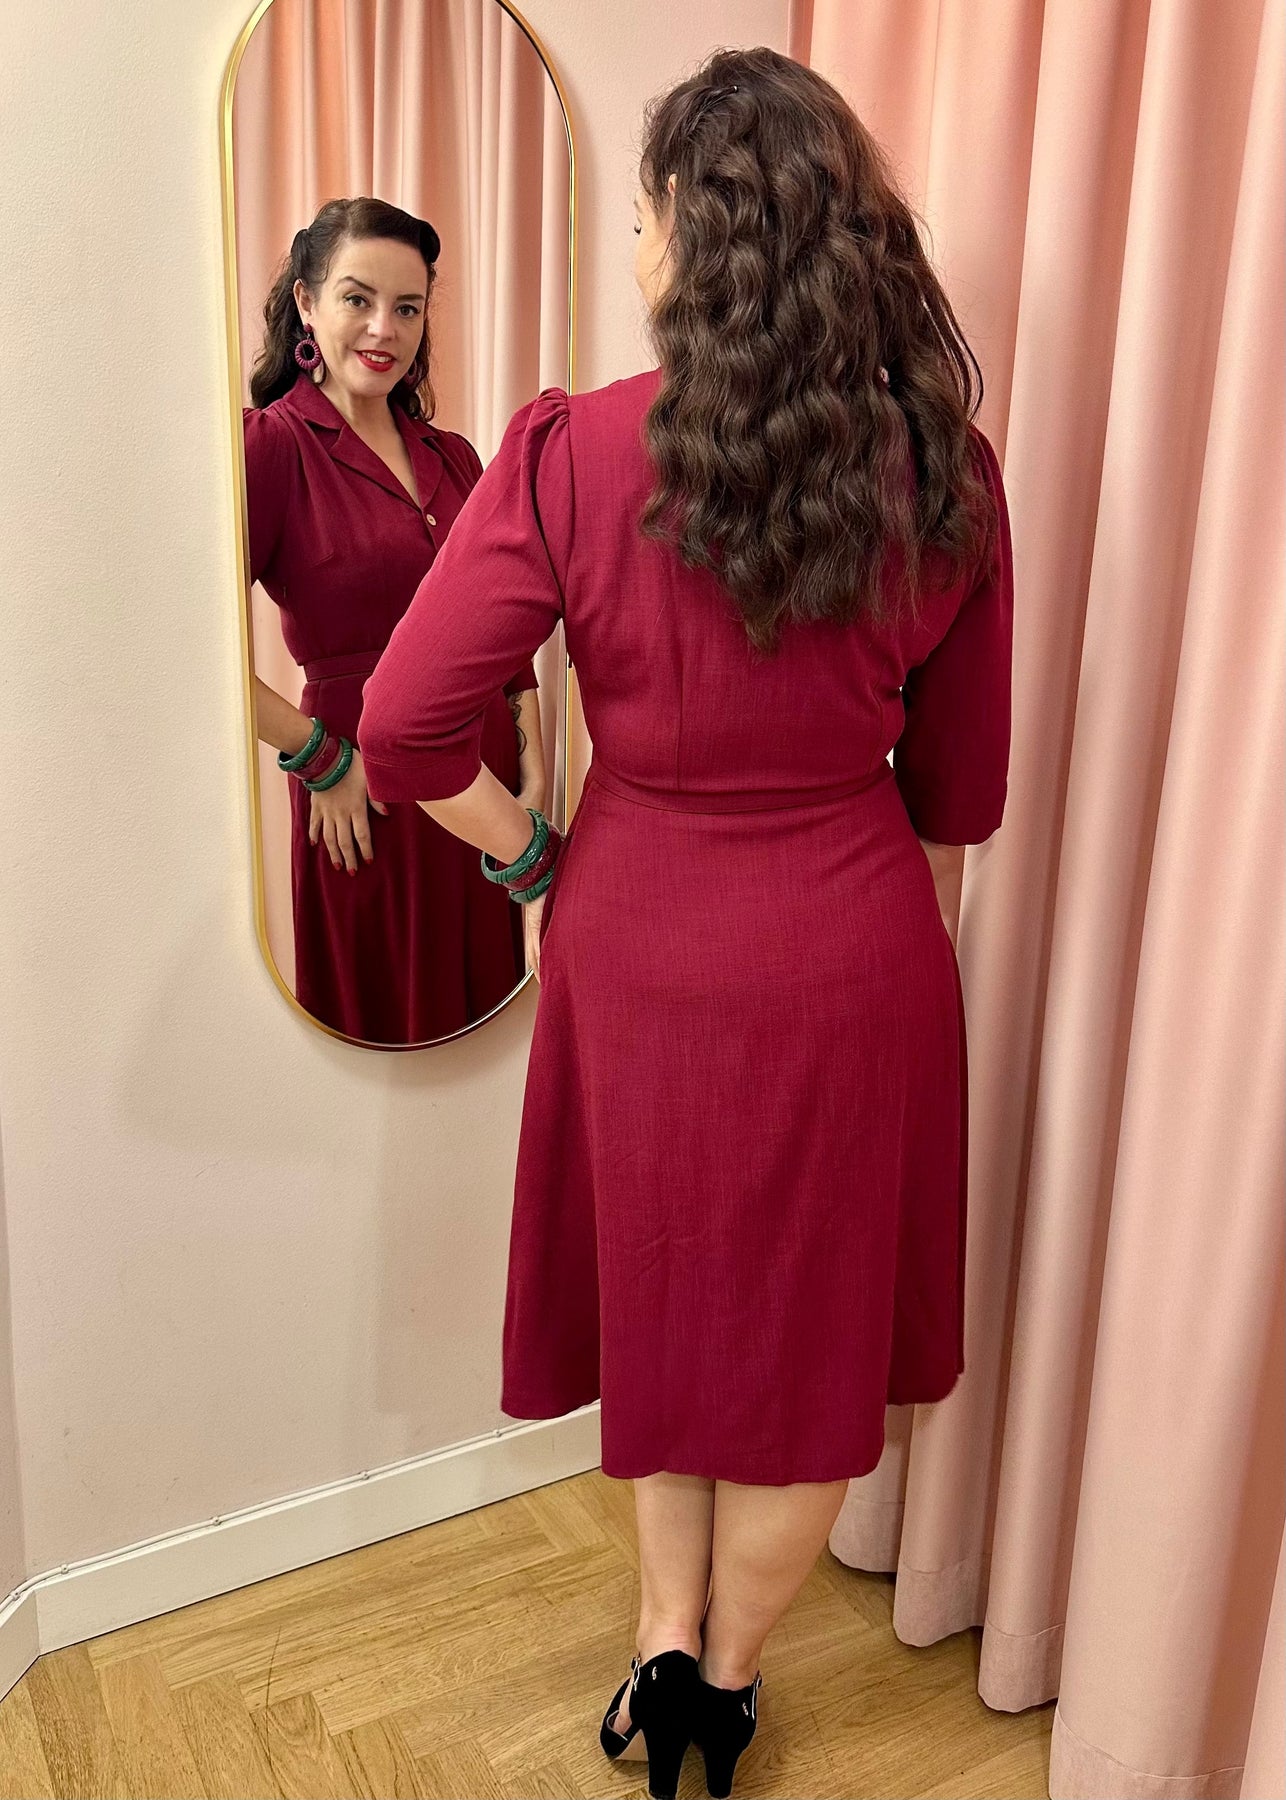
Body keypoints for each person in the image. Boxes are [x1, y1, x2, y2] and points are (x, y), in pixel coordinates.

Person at [359, 45, 1014, 1800]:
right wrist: (893, 978)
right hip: (854, 945)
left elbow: (405, 729)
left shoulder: (574, 452)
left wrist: (531, 856)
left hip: (635, 935)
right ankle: (721, 1685)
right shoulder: (943, 468)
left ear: (685, 237)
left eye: (648, 213)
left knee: (665, 1308)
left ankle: (659, 1650)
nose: (638, 241)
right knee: (807, 1348)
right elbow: (955, 798)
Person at [243, 196, 543, 1043]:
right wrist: (319, 757)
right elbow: (190, 642)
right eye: (358, 298)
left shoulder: (458, 458)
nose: (385, 328)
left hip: (484, 793)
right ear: (306, 303)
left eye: (407, 308)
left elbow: (504, 621)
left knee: (489, 1034)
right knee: (384, 1042)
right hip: (364, 797)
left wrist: (533, 753)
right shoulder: (272, 447)